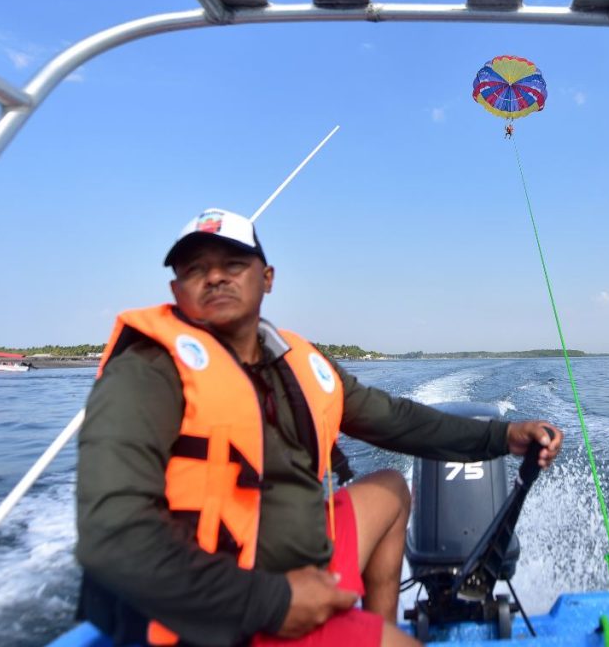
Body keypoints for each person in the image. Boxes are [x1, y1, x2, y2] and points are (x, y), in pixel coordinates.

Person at [76, 208, 563, 647]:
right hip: (225, 604)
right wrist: (274, 601)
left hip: (300, 560)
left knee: (391, 490)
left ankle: (374, 626)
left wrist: (503, 437)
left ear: (267, 278)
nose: (215, 278)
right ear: (176, 291)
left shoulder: (297, 363)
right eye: (195, 270)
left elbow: (398, 420)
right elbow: (113, 536)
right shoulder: (148, 371)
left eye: (233, 265)